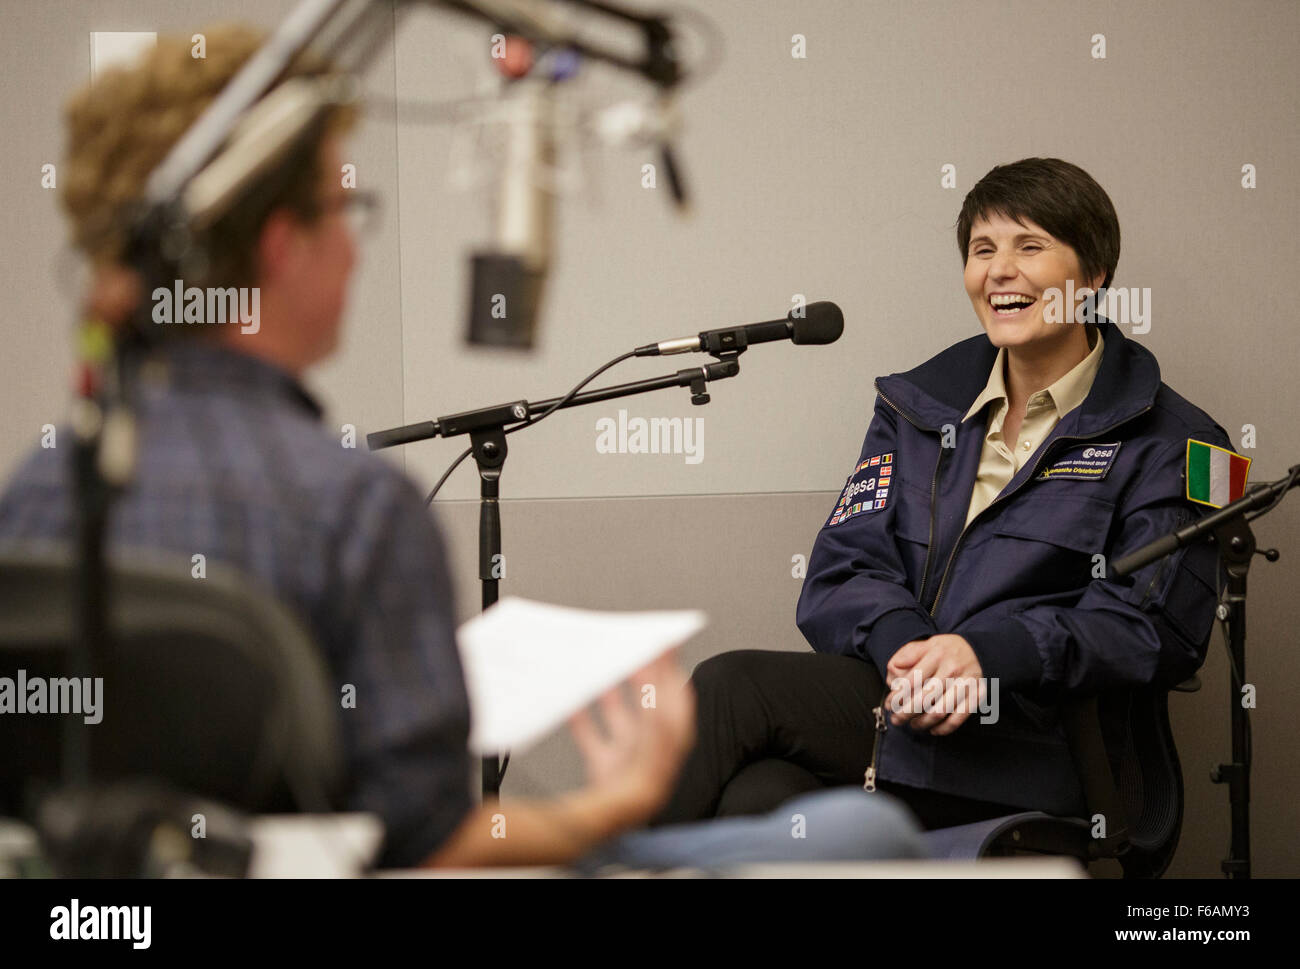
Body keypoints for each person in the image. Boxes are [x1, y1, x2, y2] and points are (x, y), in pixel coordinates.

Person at [0, 25, 924, 870]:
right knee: (868, 832)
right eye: (345, 209)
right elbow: (433, 845)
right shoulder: (353, 508)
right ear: (282, 245)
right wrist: (613, 802)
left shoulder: (39, 494)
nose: (358, 250)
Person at [653, 158, 1235, 832]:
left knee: (733, 686)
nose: (999, 270)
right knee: (760, 795)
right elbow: (841, 569)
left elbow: (1155, 627)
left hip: (1039, 740)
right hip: (902, 708)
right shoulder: (918, 405)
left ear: (1094, 275)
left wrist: (987, 654)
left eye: (1030, 246)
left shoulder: (1175, 440)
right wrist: (909, 648)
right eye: (982, 249)